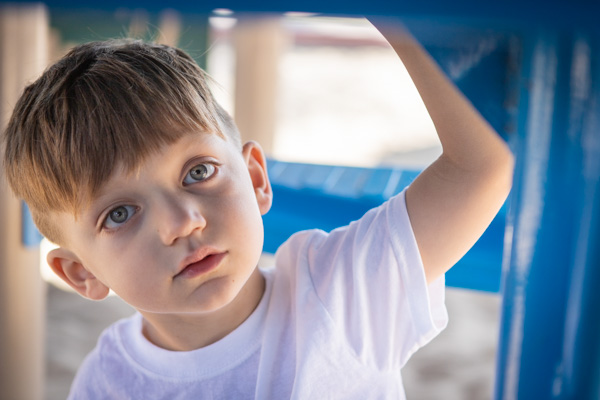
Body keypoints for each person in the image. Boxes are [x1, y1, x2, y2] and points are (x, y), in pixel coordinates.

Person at [2, 18, 513, 399]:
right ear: (80, 272)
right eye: (119, 213)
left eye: (198, 172)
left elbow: (480, 167)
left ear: (254, 178)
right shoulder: (107, 385)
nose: (182, 222)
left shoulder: (342, 291)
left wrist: (390, 15)